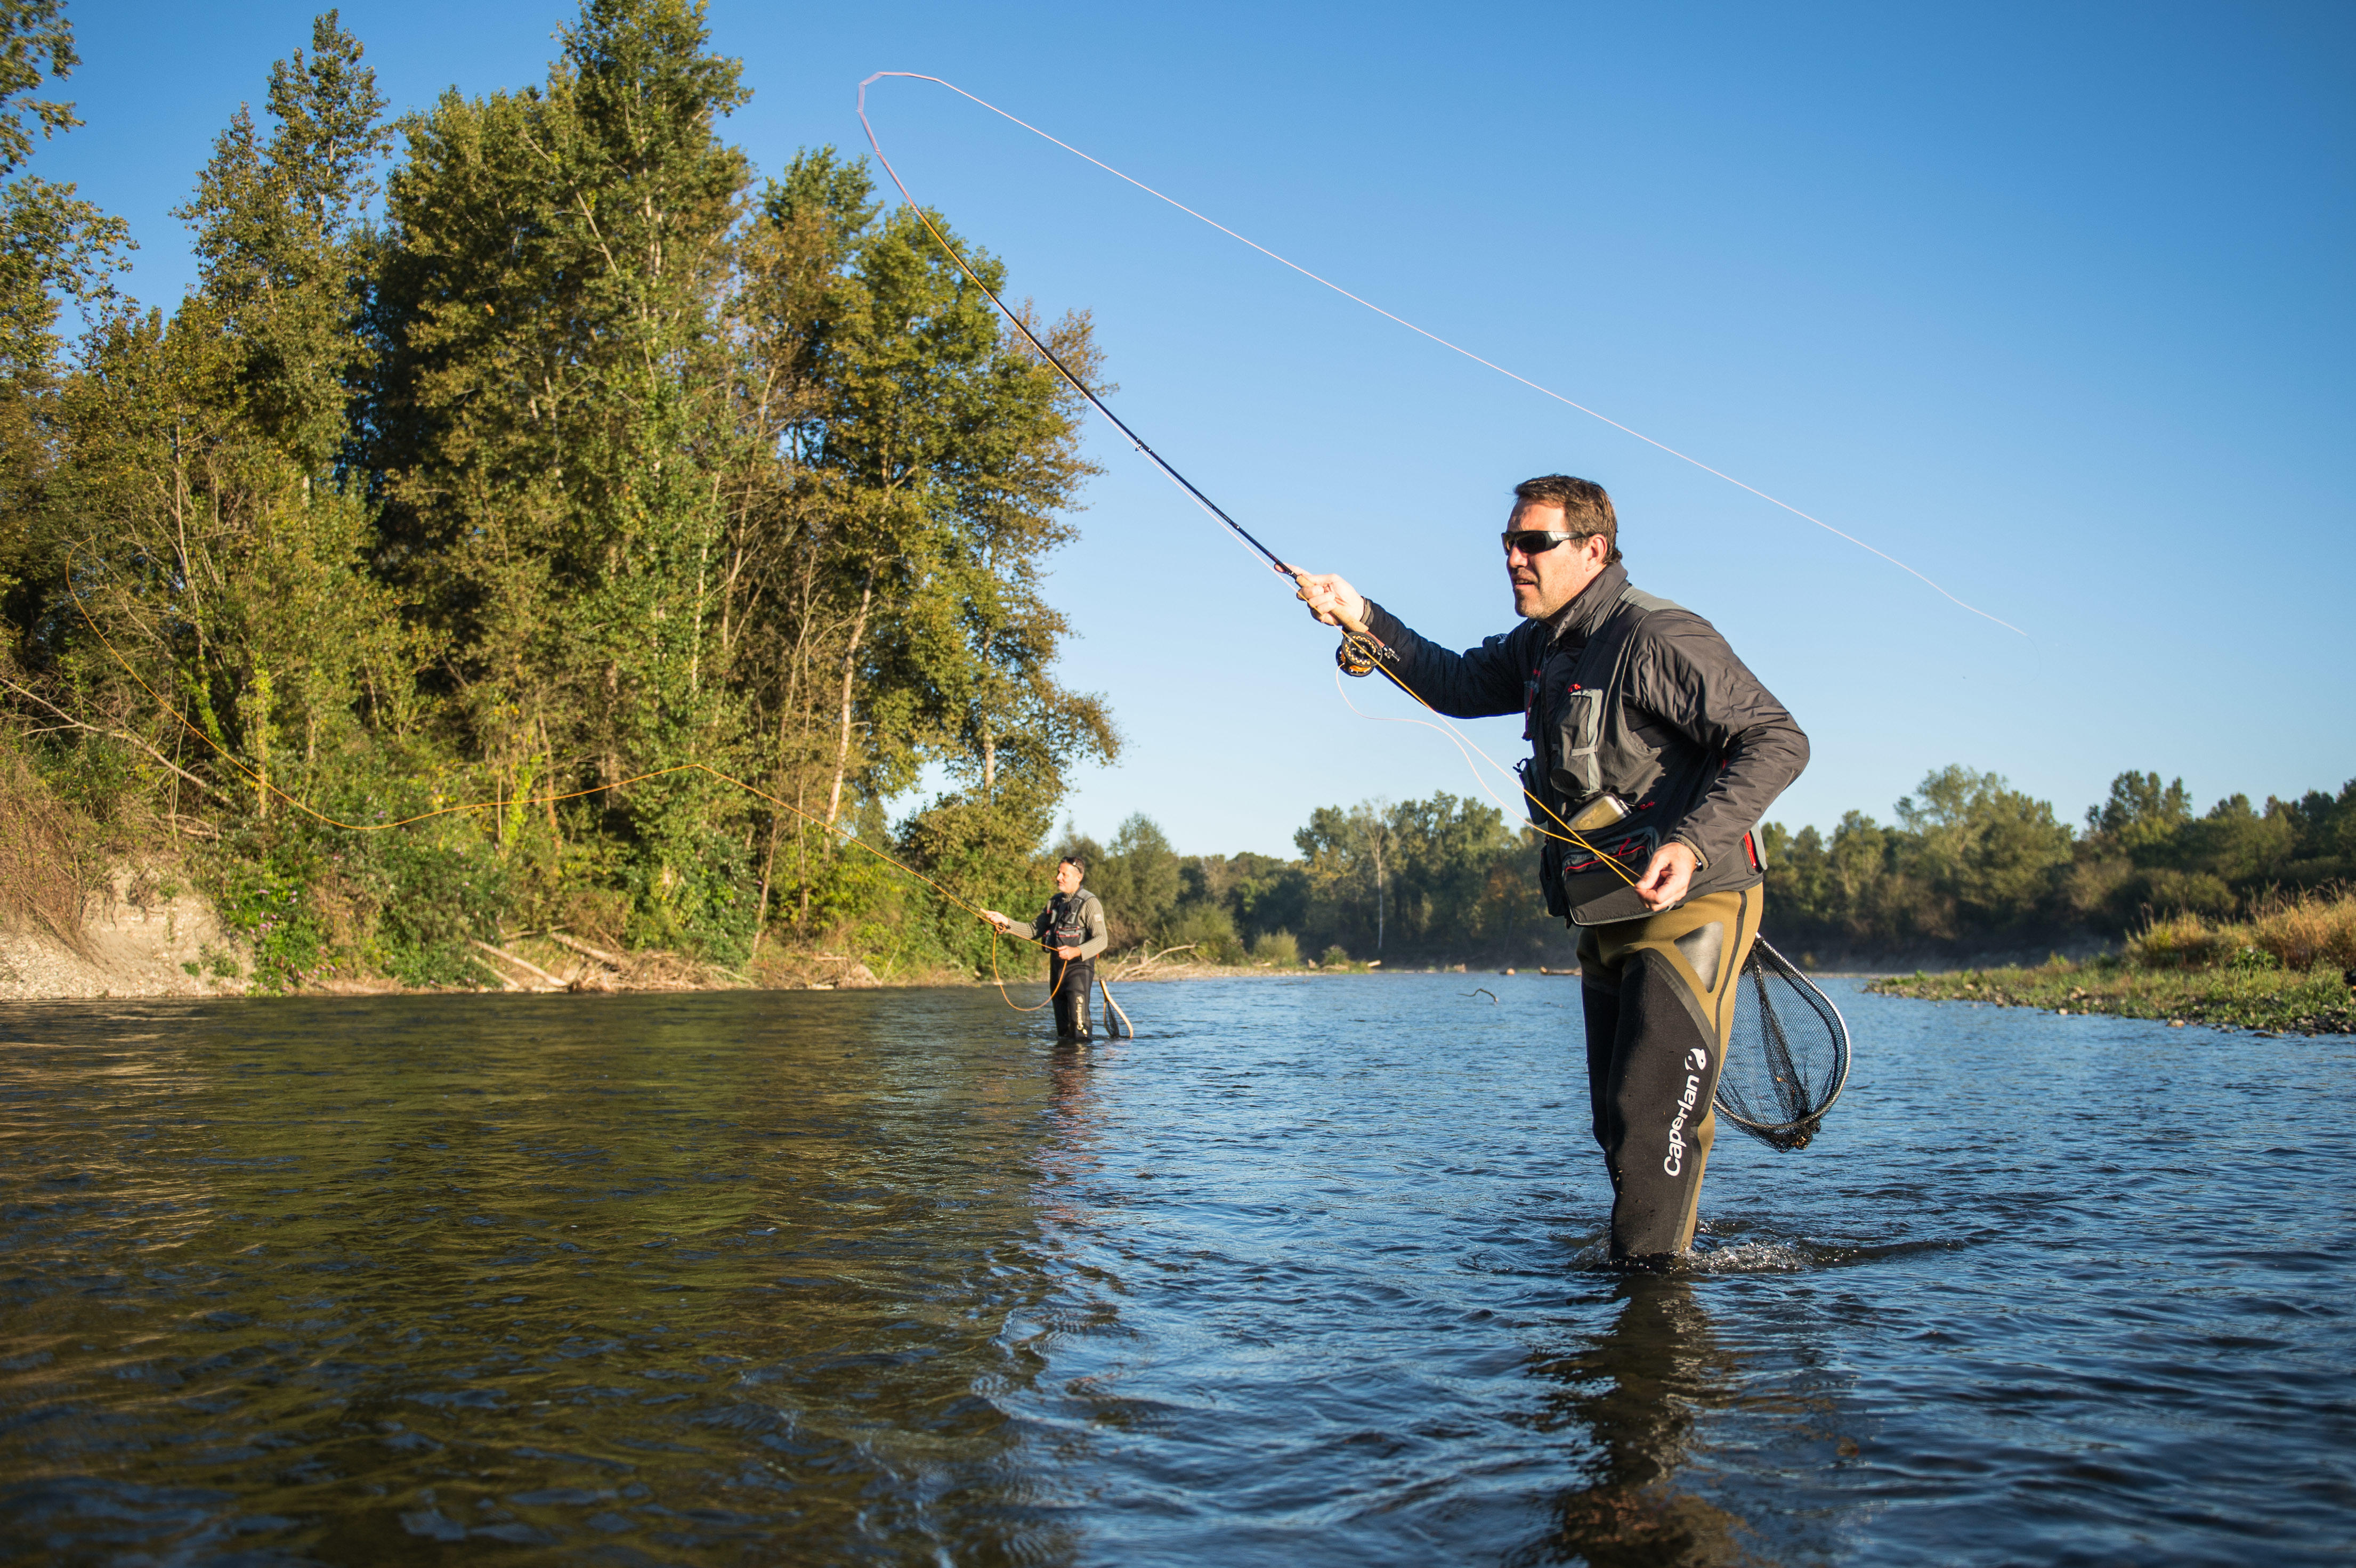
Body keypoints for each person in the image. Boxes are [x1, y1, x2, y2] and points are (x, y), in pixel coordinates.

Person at [1292, 475, 1808, 1261]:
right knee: (1614, 1117)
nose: (1512, 557)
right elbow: (1457, 683)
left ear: (1593, 549)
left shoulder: (1658, 635)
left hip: (1694, 899)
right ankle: (1652, 1268)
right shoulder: (1542, 644)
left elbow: (1778, 738)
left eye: (1533, 542)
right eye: (1507, 542)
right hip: (1602, 908)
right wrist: (1359, 614)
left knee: (1647, 1114)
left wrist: (1692, 840)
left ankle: (1653, 1309)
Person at [982, 856, 1109, 1042]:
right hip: (1056, 974)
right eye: (1058, 873)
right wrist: (1006, 922)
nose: (1058, 877)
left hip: (1079, 972)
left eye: (1064, 874)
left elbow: (1102, 939)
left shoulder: (1090, 903)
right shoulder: (1054, 903)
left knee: (1079, 1032)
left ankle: (1081, 1070)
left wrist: (1076, 952)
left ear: (1078, 877)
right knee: (1064, 1035)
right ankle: (1061, 1070)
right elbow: (1033, 929)